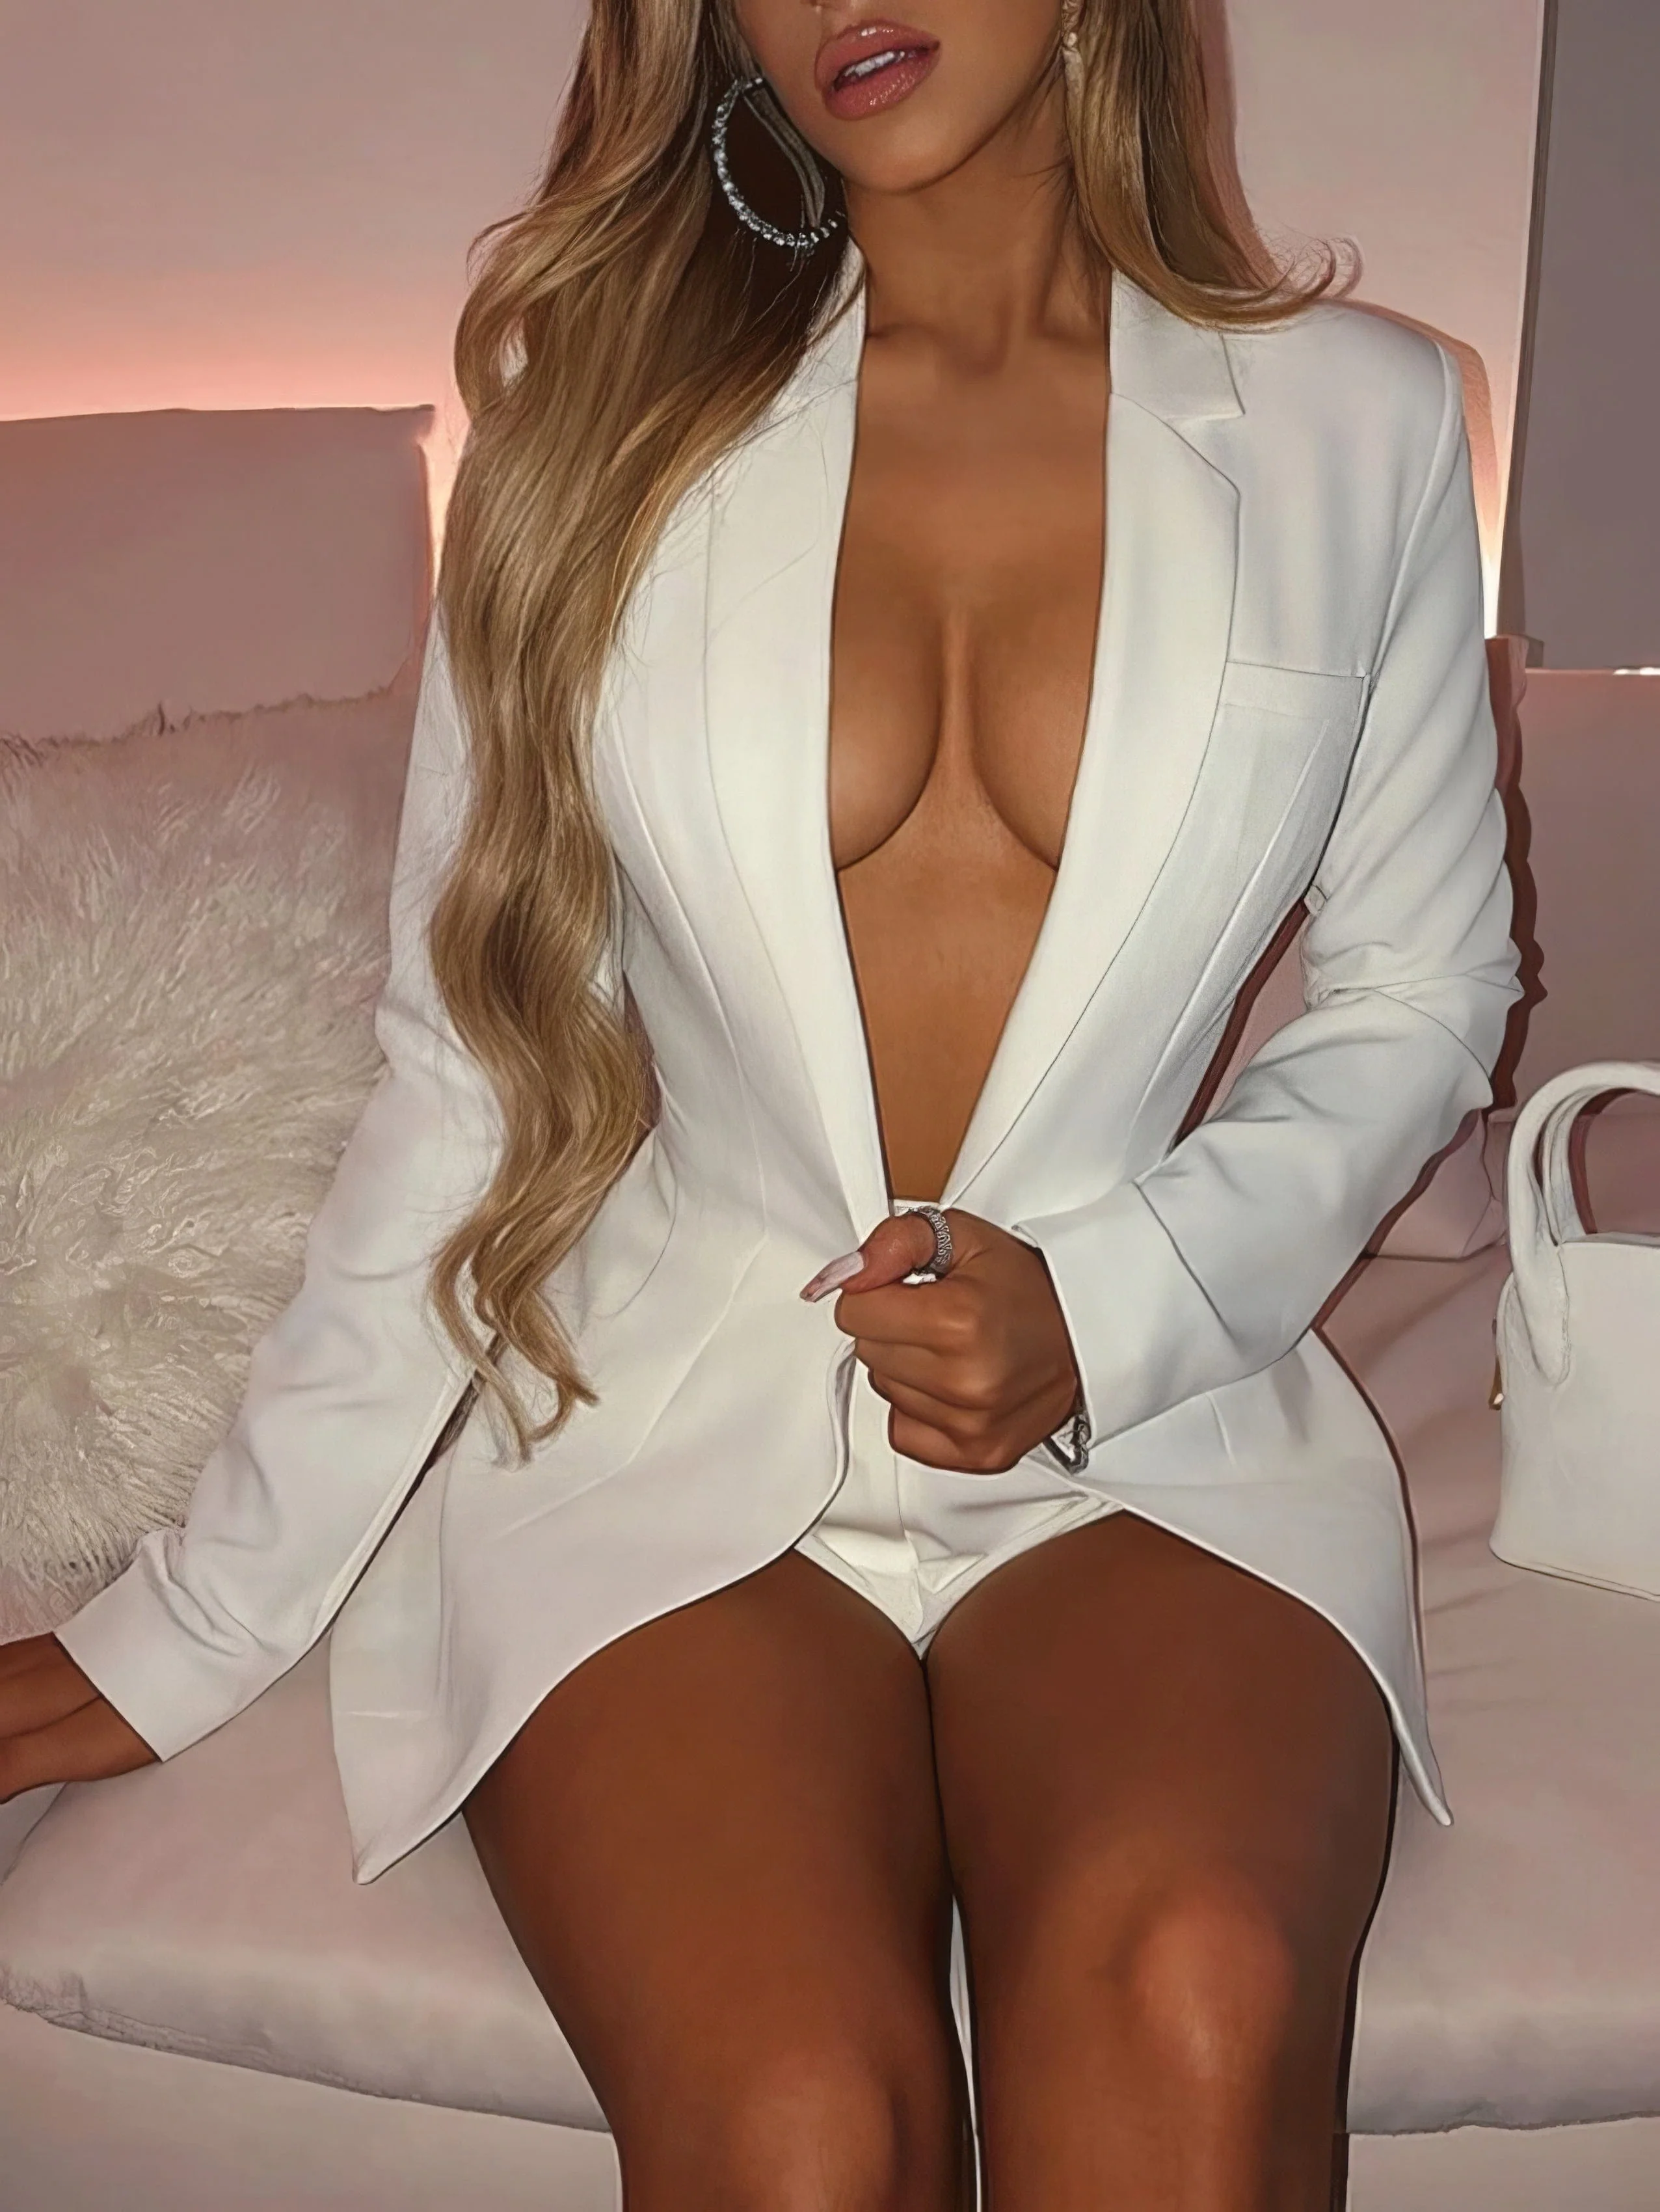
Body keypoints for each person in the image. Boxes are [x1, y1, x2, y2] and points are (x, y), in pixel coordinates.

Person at [0, 1, 1522, 2203]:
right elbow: (474, 1065)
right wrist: (194, 1622)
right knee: (804, 2130)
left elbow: (1419, 987)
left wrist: (1123, 1299)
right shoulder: (597, 419)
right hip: (663, 1424)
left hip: (1154, 1429)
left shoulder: (1357, 424)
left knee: (1193, 1994)